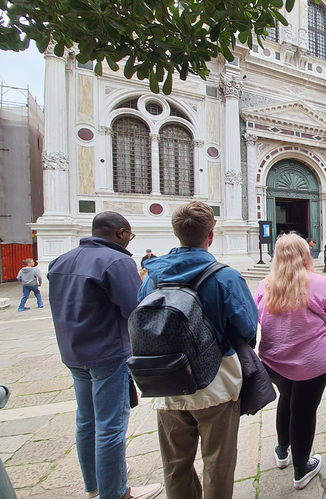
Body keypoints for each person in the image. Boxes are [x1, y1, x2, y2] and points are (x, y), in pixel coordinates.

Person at [139, 201, 258, 499]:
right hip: (216, 386)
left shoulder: (152, 277)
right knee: (218, 465)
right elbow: (247, 328)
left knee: (175, 466)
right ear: (211, 235)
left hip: (167, 385)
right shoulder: (226, 277)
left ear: (176, 233)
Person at [48, 211, 163, 499]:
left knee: (86, 422)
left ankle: (95, 484)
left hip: (73, 353)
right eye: (130, 236)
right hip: (108, 353)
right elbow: (136, 309)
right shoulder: (117, 261)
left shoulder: (61, 259)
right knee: (110, 425)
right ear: (121, 233)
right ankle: (116, 492)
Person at [255, 233, 326, 490]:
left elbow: (260, 320)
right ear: (306, 254)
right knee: (304, 410)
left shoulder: (265, 285)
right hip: (313, 364)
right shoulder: (321, 283)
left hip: (275, 362)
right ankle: (302, 469)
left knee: (288, 399)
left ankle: (282, 452)